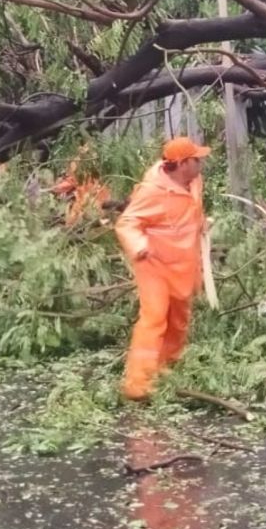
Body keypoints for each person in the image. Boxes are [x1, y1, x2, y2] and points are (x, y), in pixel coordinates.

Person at [115, 137, 211, 401]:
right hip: (154, 264)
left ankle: (167, 368)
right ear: (182, 164)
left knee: (179, 317)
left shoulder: (194, 182)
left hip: (183, 262)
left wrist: (202, 222)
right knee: (154, 317)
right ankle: (138, 385)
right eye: (196, 159)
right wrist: (139, 245)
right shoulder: (152, 191)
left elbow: (191, 211)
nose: (201, 163)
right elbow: (126, 223)